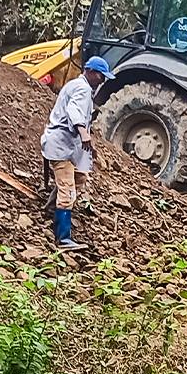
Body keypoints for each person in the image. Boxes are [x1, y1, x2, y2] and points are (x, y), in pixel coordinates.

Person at [40, 55, 115, 251]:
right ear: (90, 71)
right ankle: (63, 238)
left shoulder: (78, 86)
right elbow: (74, 111)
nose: (102, 80)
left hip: (65, 145)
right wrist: (83, 133)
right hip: (60, 146)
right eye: (100, 75)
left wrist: (90, 145)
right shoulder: (82, 88)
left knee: (79, 177)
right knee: (68, 190)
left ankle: (51, 208)